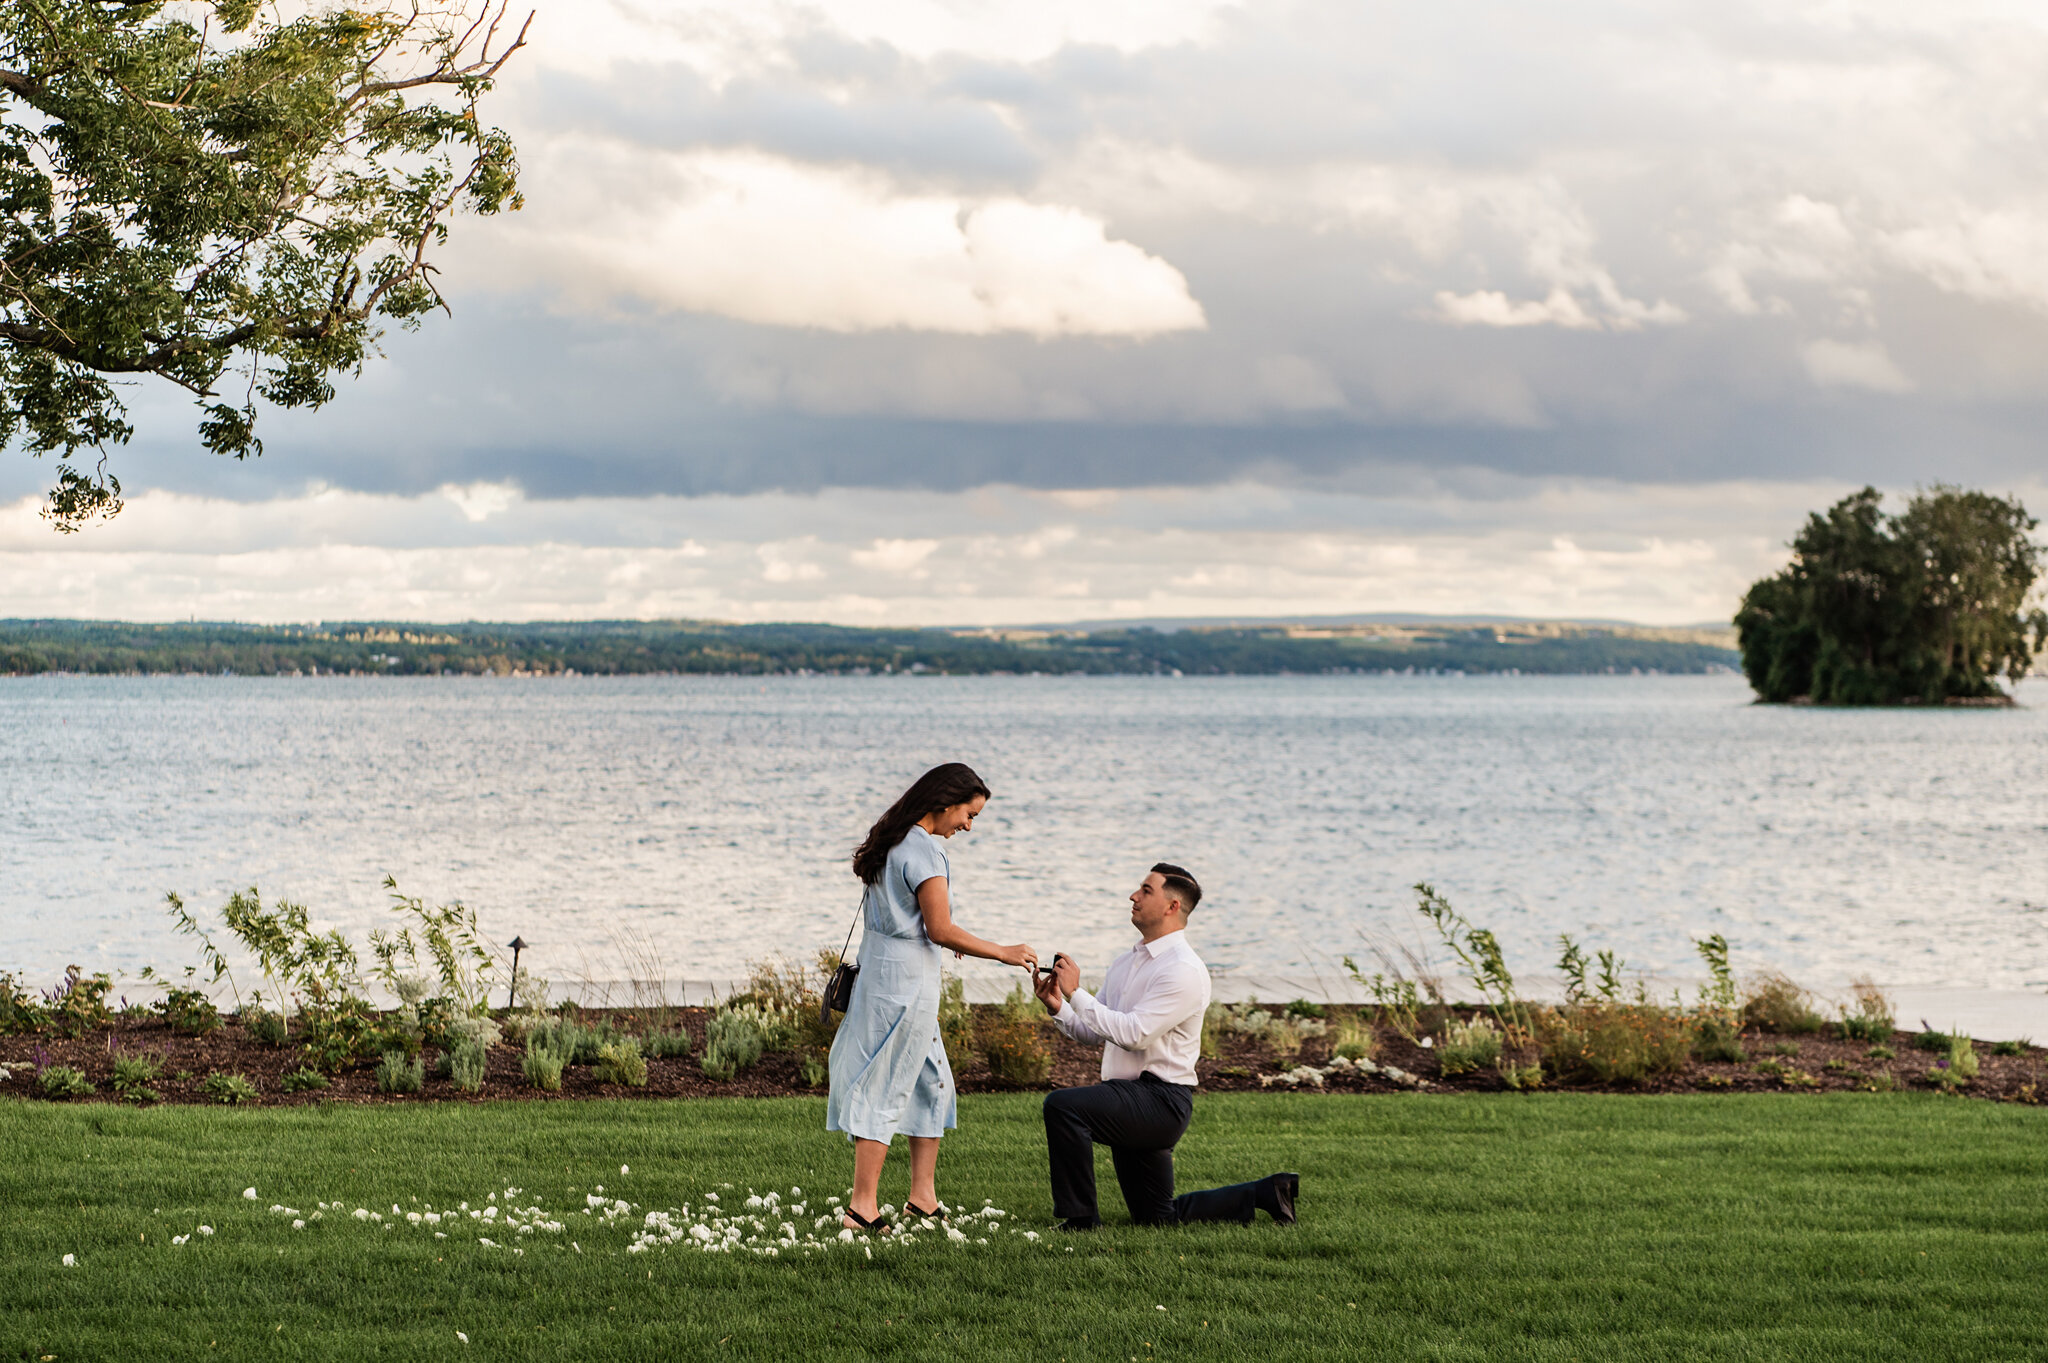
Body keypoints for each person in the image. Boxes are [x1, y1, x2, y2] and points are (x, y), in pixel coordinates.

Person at [826, 762, 1039, 1235]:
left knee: (931, 1079)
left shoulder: (892, 838)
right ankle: (862, 1207)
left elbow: (909, 919)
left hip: (883, 972)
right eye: (969, 814)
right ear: (945, 802)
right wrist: (1003, 952)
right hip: (906, 985)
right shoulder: (924, 851)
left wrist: (947, 941)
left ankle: (922, 1197)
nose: (968, 825)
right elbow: (939, 929)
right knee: (886, 1084)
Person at [1033, 863, 1299, 1229]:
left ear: (1172, 906)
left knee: (1064, 1107)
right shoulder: (1126, 962)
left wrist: (1078, 992)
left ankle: (1080, 1220)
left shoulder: (1184, 970)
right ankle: (1269, 1192)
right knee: (1156, 1218)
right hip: (1130, 1098)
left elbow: (1135, 1034)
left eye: (1145, 890)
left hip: (1161, 1101)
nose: (1133, 896)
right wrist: (1060, 1006)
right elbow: (1096, 1031)